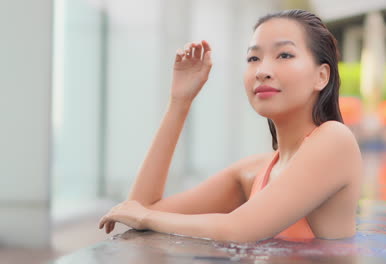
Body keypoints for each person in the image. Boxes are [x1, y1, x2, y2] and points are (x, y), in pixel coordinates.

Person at [99, 9, 362, 243]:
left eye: (284, 54)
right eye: (253, 58)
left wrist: (145, 217)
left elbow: (240, 229)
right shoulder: (254, 172)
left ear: (321, 76)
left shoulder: (335, 140)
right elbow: (138, 209)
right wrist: (180, 102)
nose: (262, 70)